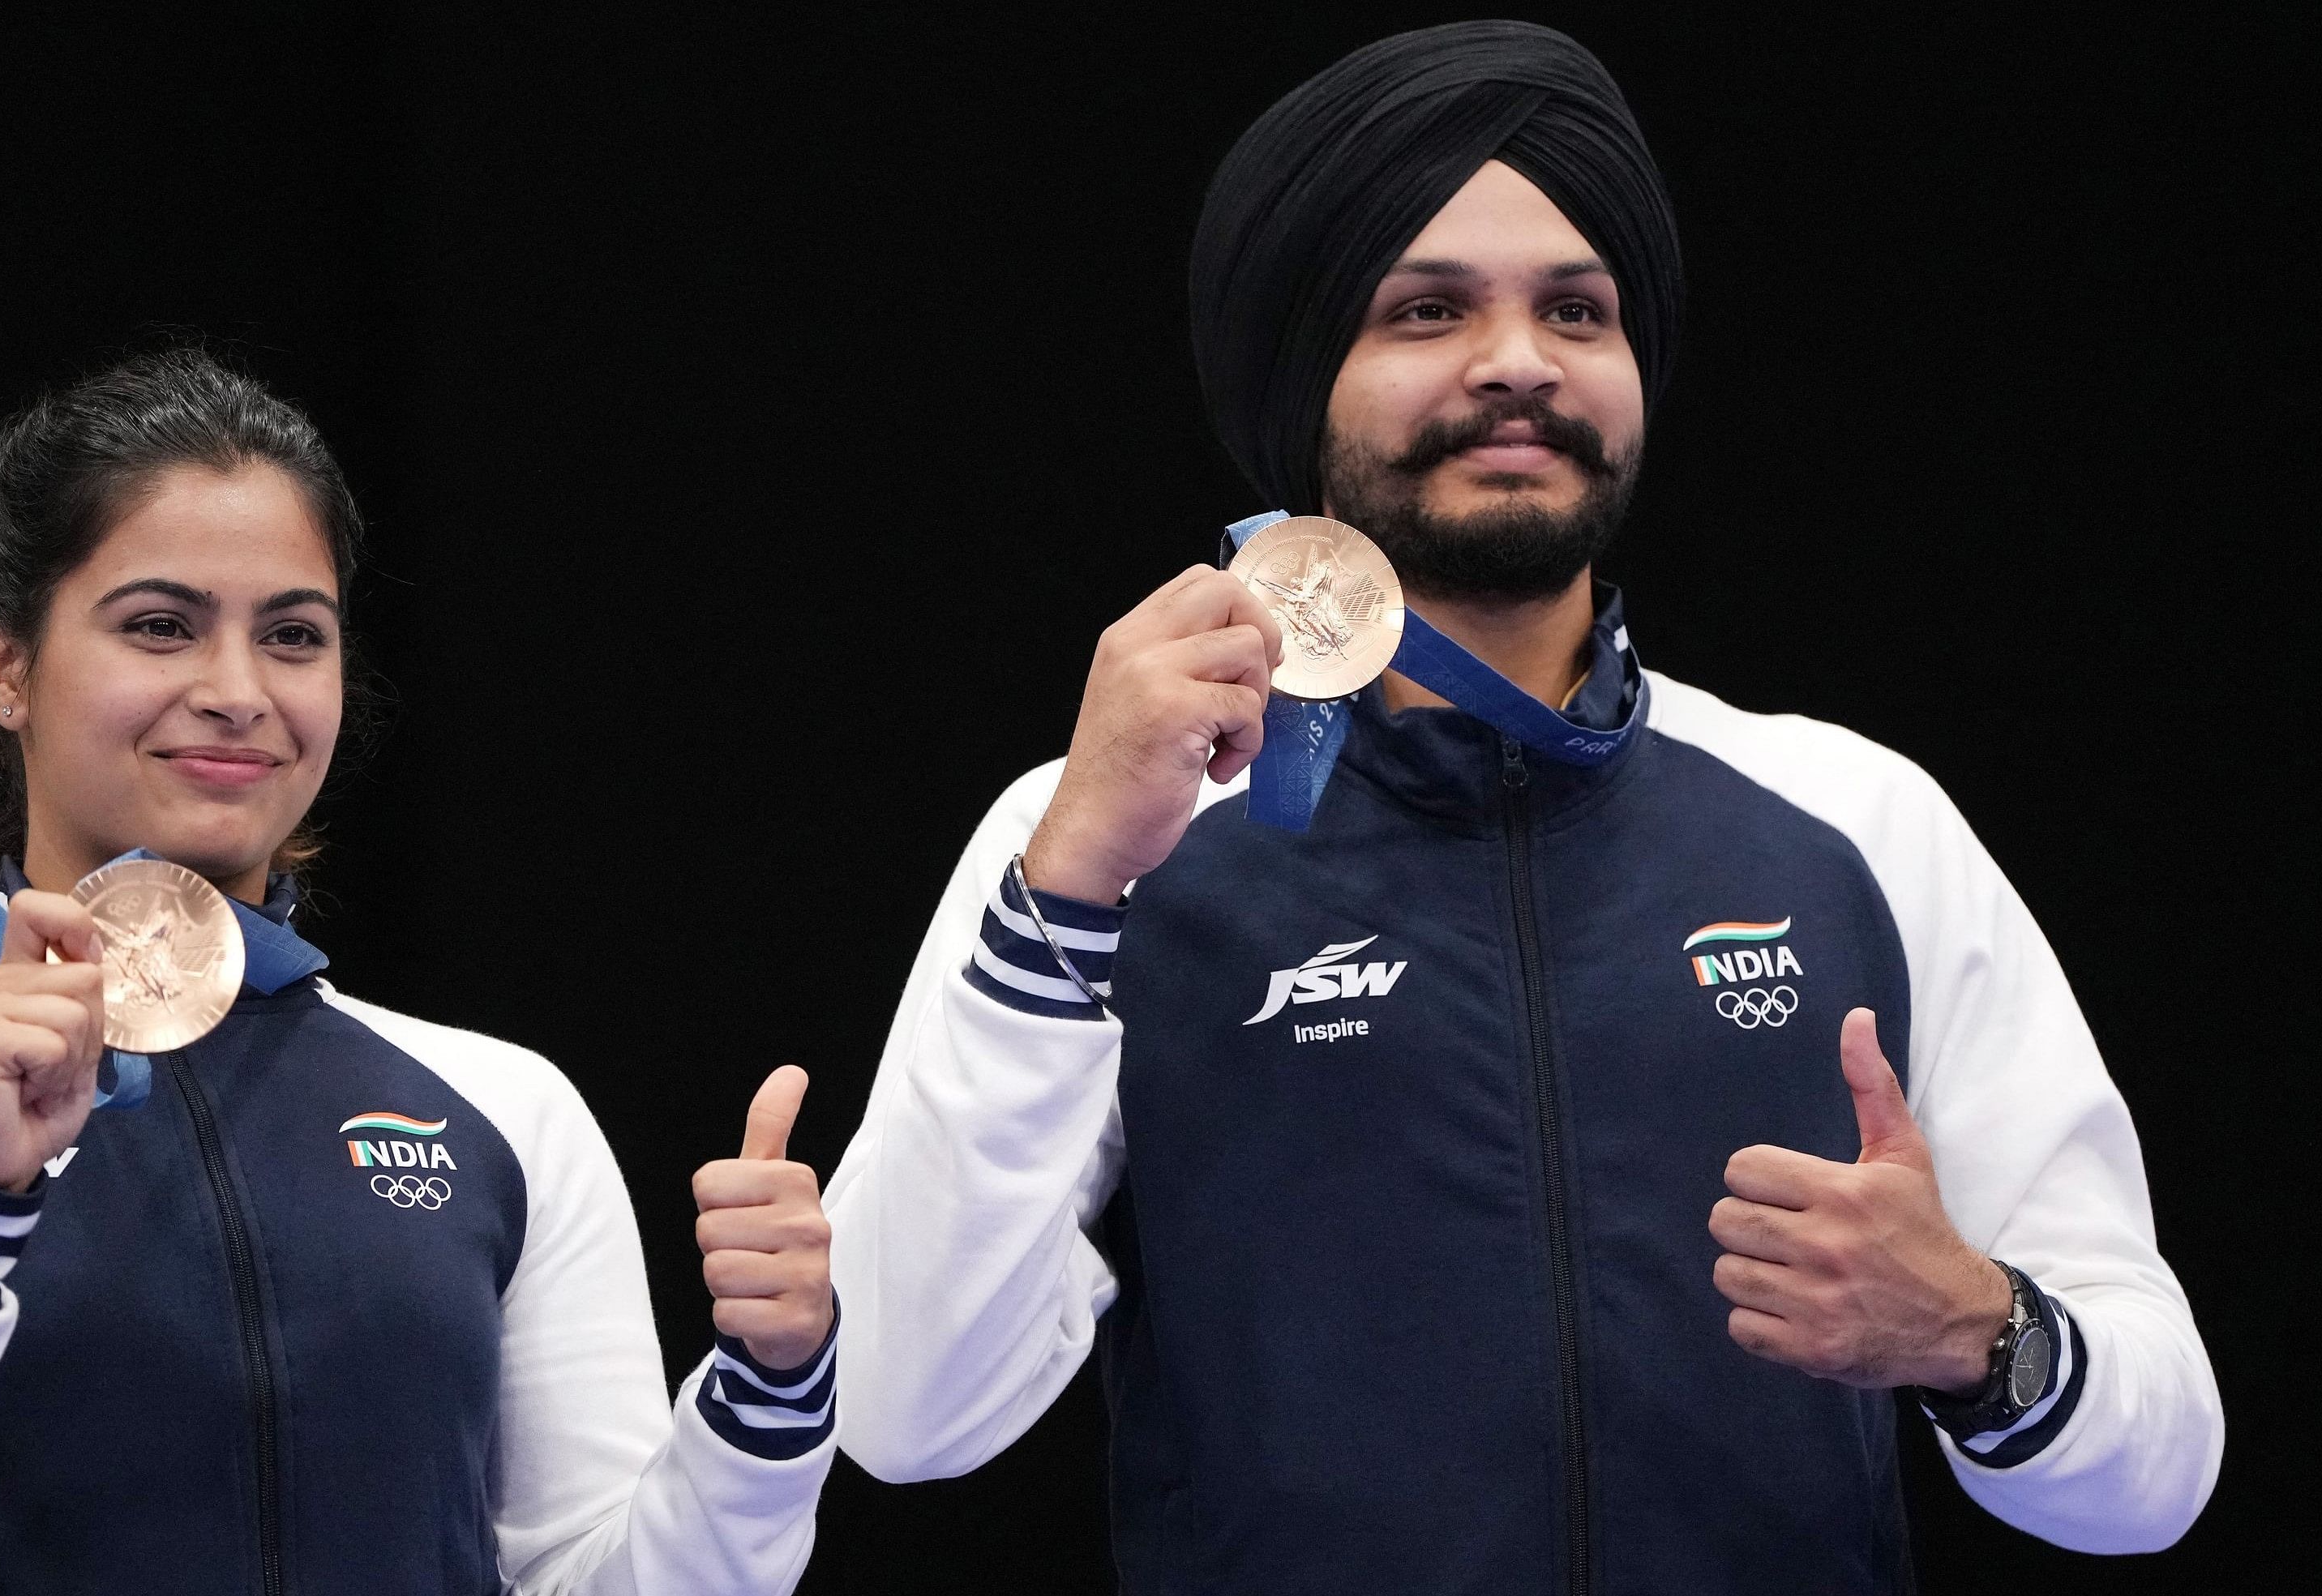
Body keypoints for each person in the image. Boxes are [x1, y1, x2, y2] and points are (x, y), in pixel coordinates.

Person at [823, 21, 2220, 1592]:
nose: (1516, 359)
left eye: (1576, 307)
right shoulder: (1104, 834)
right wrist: (1070, 884)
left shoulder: (1850, 816)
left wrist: (1979, 1334)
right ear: (1304, 379)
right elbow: (900, 1415)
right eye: (1426, 309)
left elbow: (2149, 1484)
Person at [0, 349, 840, 1594]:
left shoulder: (507, 1108)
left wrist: (768, 1396)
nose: (236, 692)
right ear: (5, 665)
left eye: (292, 635)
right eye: (161, 626)